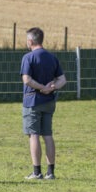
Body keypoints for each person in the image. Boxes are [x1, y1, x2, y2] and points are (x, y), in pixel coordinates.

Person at [20, 27, 66, 180]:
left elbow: (27, 80)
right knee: (47, 135)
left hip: (33, 100)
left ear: (30, 41)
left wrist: (41, 88)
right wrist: (51, 87)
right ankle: (51, 172)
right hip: (49, 101)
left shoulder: (28, 57)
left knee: (34, 135)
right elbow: (62, 80)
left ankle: (36, 171)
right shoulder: (52, 57)